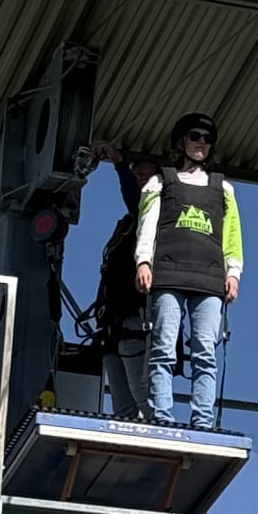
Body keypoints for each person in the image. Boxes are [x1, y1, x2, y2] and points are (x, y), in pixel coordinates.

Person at [134, 113, 242, 431]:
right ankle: (163, 418)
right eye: (196, 136)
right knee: (164, 347)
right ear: (182, 141)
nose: (202, 143)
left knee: (205, 351)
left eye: (208, 139)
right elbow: (147, 226)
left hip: (209, 279)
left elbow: (233, 235)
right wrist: (143, 261)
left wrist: (233, 272)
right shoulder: (160, 182)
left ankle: (203, 423)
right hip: (167, 273)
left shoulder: (223, 189)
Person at [89, 139, 155, 418]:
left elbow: (137, 202)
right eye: (135, 174)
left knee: (144, 397)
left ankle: (162, 444)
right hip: (112, 324)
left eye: (145, 176)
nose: (139, 180)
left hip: (135, 320)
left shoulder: (157, 216)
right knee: (122, 407)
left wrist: (119, 164)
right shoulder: (126, 224)